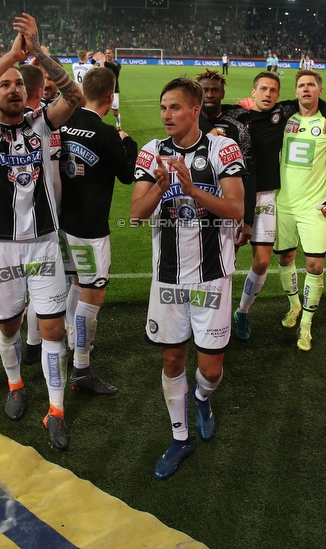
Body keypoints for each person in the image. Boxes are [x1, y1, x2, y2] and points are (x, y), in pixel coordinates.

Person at [0, 14, 83, 452]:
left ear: (27, 92)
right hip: (0, 248)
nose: (12, 89)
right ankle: (15, 384)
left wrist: (40, 54)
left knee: (52, 330)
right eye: (4, 84)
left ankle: (56, 409)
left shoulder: (41, 124)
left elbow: (76, 94)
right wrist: (12, 55)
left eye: (18, 83)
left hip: (45, 246)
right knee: (8, 327)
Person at [130, 76, 245, 480]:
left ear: (196, 110)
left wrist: (193, 191)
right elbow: (136, 214)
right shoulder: (150, 152)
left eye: (175, 107)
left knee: (211, 371)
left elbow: (235, 210)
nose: (166, 115)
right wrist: (161, 189)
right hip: (168, 278)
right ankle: (179, 438)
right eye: (163, 107)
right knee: (172, 356)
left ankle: (201, 398)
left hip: (213, 277)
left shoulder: (221, 148)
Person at [226, 72, 326, 341]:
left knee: (263, 261)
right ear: (252, 92)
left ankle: (242, 312)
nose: (267, 94)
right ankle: (212, 315)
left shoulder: (282, 113)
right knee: (224, 260)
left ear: (278, 95)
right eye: (262, 89)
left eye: (273, 90)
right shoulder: (234, 116)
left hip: (266, 197)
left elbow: (310, 99)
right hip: (234, 195)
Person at [59, 66, 137, 395]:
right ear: (110, 97)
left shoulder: (61, 122)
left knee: (76, 283)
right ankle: (81, 367)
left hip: (61, 225)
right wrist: (128, 142)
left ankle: (67, 344)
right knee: (94, 294)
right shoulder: (106, 134)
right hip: (91, 231)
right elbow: (128, 175)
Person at [274, 70, 326, 351]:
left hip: (314, 207)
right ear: (295, 91)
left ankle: (306, 326)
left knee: (315, 265)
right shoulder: (283, 119)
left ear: (320, 90)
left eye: (311, 85)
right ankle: (294, 306)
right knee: (285, 258)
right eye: (301, 85)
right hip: (284, 205)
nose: (306, 89)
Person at [103, 48, 123, 131]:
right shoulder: (104, 64)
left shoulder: (117, 65)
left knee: (115, 112)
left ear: (113, 54)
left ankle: (118, 124)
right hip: (104, 89)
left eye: (109, 53)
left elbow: (115, 69)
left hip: (114, 90)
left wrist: (103, 62)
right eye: (106, 53)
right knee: (101, 109)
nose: (107, 55)